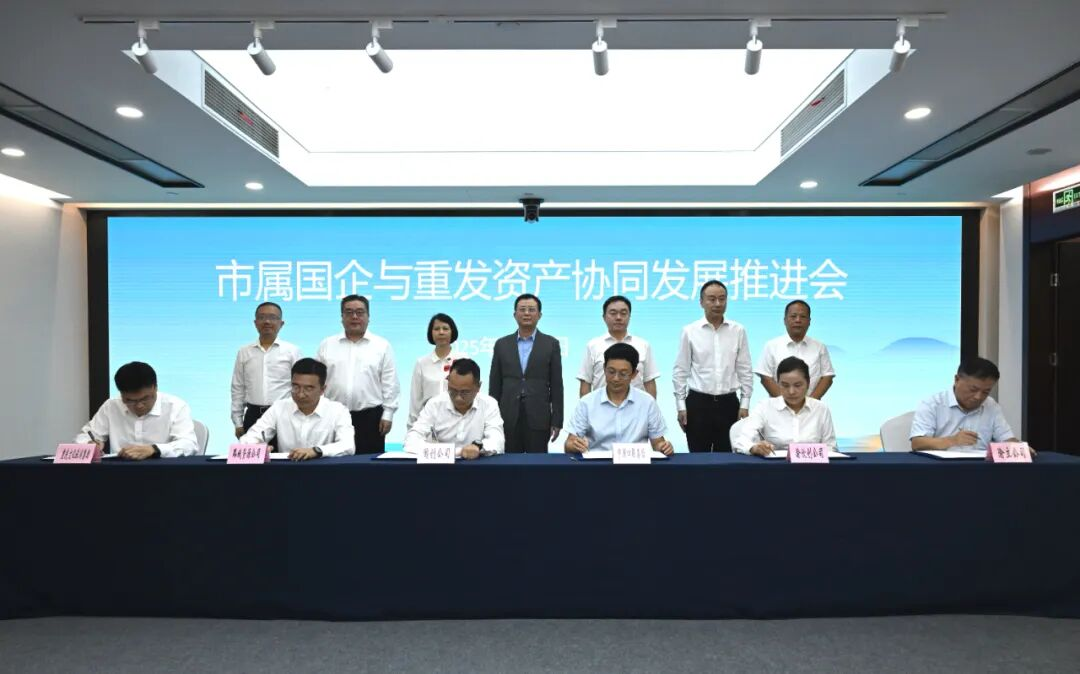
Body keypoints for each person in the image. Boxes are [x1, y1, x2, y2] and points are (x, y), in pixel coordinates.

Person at [672, 280, 753, 452]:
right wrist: (681, 406)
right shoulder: (690, 331)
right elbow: (680, 371)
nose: (717, 303)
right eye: (712, 299)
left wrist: (745, 403)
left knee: (727, 460)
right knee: (698, 459)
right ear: (701, 302)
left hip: (729, 404)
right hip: (698, 404)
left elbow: (745, 370)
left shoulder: (738, 330)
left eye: (722, 299)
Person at [316, 294, 400, 454]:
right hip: (333, 416)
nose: (354, 317)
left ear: (368, 317)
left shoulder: (382, 345)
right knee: (333, 462)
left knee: (369, 465)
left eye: (360, 312)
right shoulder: (327, 345)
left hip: (370, 418)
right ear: (342, 317)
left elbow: (390, 383)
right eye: (349, 312)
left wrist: (388, 414)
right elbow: (317, 381)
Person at [565, 343, 673, 455]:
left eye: (623, 374)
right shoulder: (587, 402)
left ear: (634, 374)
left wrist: (664, 447)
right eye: (611, 372)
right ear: (604, 369)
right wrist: (575, 445)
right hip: (597, 463)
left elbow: (657, 443)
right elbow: (569, 443)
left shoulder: (647, 402)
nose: (616, 378)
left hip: (636, 463)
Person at [75, 361, 198, 459]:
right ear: (121, 394)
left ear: (155, 387)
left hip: (164, 473)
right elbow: (83, 437)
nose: (139, 406)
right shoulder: (111, 406)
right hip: (120, 474)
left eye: (145, 398)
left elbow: (189, 444)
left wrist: (153, 449)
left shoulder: (176, 406)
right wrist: (89, 445)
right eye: (130, 400)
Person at [489, 293, 563, 453]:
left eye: (531, 310)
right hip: (507, 415)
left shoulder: (551, 344)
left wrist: (557, 420)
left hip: (539, 415)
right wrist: (490, 418)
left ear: (539, 315)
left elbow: (557, 385)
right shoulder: (502, 344)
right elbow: (495, 384)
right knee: (507, 462)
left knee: (537, 463)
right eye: (522, 309)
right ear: (515, 314)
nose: (527, 313)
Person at [239, 358, 355, 460]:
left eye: (308, 388)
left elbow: (348, 446)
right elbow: (247, 441)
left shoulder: (338, 411)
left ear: (322, 390)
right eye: (296, 387)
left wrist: (316, 451)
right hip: (287, 471)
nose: (300, 394)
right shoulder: (279, 408)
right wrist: (256, 448)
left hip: (323, 472)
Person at [910, 357, 1031, 454]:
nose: (978, 397)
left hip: (981, 468)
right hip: (941, 468)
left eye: (986, 392)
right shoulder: (932, 404)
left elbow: (1006, 438)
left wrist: (1019, 448)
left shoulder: (991, 405)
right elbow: (917, 443)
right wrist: (952, 440)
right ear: (957, 380)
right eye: (973, 389)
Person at [404, 358, 505, 460]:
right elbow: (411, 440)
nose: (458, 398)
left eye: (465, 392)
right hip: (442, 465)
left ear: (478, 387)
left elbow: (497, 441)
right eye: (453, 391)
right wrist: (458, 452)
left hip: (476, 465)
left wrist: (478, 448)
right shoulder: (435, 404)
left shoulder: (489, 404)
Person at [734, 356, 836, 456]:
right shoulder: (765, 407)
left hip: (812, 466)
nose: (791, 391)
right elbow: (741, 440)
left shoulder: (821, 409)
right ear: (778, 383)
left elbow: (831, 447)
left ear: (808, 383)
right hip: (775, 465)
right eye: (785, 385)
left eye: (797, 385)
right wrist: (754, 447)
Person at [230, 301, 302, 439]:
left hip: (283, 415)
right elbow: (238, 387)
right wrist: (238, 421)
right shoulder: (244, 352)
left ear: (281, 323)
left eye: (272, 317)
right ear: (255, 323)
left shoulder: (292, 351)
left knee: (285, 452)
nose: (267, 321)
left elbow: (300, 385)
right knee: (252, 452)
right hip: (253, 416)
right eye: (262, 317)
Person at [577, 295, 660, 399]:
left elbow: (649, 381)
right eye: (613, 313)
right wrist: (586, 407)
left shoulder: (643, 345)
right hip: (601, 406)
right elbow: (586, 382)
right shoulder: (593, 346)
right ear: (604, 317)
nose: (618, 317)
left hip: (637, 406)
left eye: (623, 313)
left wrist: (651, 407)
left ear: (629, 316)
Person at [755, 300, 835, 400]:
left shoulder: (819, 347)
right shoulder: (771, 346)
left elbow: (827, 377)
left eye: (803, 316)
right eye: (793, 316)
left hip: (811, 406)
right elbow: (765, 377)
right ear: (785, 320)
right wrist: (786, 403)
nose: (798, 320)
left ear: (809, 321)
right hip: (778, 407)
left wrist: (810, 403)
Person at [408, 313, 466, 427]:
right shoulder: (422, 363)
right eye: (436, 329)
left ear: (452, 332)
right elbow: (415, 401)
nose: (441, 332)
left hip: (458, 423)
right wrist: (412, 429)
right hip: (429, 424)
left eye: (445, 328)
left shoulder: (463, 360)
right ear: (431, 333)